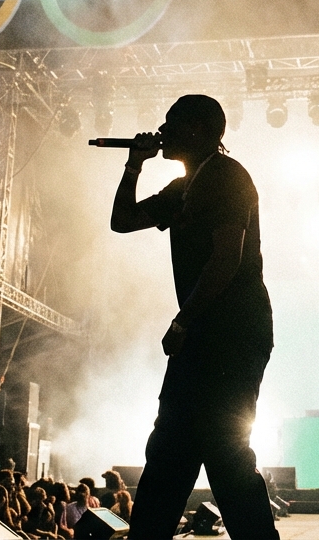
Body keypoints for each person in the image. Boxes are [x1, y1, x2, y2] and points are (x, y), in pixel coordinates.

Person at [109, 95, 279, 539]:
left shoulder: (226, 177)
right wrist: (134, 165)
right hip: (205, 334)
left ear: (199, 130)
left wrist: (183, 321)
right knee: (177, 450)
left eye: (172, 122)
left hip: (231, 333)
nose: (161, 130)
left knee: (220, 451)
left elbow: (227, 257)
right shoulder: (185, 185)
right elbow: (122, 220)